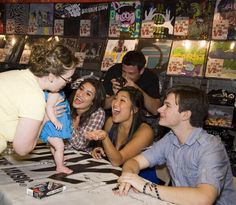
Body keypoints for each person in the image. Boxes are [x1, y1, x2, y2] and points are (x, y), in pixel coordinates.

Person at [116, 85, 236, 205]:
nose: (159, 109)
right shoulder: (170, 139)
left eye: (167, 106)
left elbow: (204, 198)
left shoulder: (211, 147)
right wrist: (128, 177)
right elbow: (134, 162)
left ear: (185, 115)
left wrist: (146, 187)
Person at [0, 43, 76, 156]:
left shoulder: (15, 75)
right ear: (51, 76)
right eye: (67, 79)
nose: (67, 83)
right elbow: (22, 148)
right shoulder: (34, 96)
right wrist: (46, 117)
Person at [86, 86, 154, 167]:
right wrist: (99, 150)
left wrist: (104, 138)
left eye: (122, 100)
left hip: (139, 177)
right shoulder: (110, 122)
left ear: (135, 109)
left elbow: (118, 161)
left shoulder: (145, 131)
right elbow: (110, 152)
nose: (115, 103)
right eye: (115, 98)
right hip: (114, 173)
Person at [102, 50, 161, 116]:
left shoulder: (150, 77)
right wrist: (117, 95)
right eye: (123, 72)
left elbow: (156, 110)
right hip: (113, 115)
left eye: (131, 73)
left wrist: (136, 89)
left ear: (141, 71)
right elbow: (102, 105)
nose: (126, 76)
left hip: (140, 118)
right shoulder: (114, 71)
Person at [68, 77, 106, 152]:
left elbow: (81, 144)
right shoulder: (66, 105)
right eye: (81, 89)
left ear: (93, 101)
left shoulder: (98, 113)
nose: (80, 94)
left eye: (88, 94)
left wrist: (70, 127)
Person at [40, 91, 73, 174]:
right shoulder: (54, 93)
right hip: (52, 126)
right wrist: (55, 121)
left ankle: (58, 157)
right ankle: (60, 166)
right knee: (60, 146)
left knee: (54, 145)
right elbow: (49, 107)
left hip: (53, 126)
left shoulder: (57, 92)